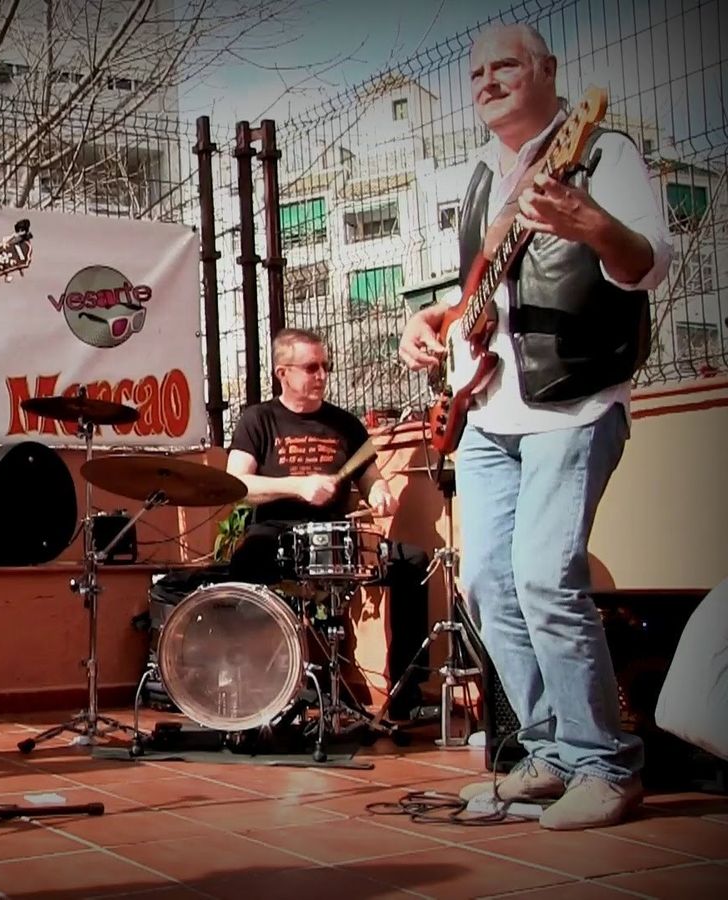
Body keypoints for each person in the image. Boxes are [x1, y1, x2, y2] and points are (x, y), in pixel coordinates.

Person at [399, 23, 671, 830]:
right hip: (488, 413)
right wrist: (436, 321)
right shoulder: (484, 178)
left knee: (550, 580)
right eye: (477, 70)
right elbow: (484, 297)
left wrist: (593, 227)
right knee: (487, 585)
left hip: (576, 402)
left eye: (506, 65)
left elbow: (645, 263)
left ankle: (606, 764)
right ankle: (552, 755)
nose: (487, 80)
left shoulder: (602, 151)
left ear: (549, 72)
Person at [224, 329, 429, 719]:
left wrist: (382, 495)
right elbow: (238, 485)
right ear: (282, 373)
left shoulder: (346, 424)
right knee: (245, 564)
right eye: (311, 367)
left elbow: (372, 479)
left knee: (412, 563)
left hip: (338, 536)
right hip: (277, 533)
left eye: (325, 367)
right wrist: (298, 486)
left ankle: (407, 689)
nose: (321, 375)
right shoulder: (258, 420)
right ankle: (249, 685)